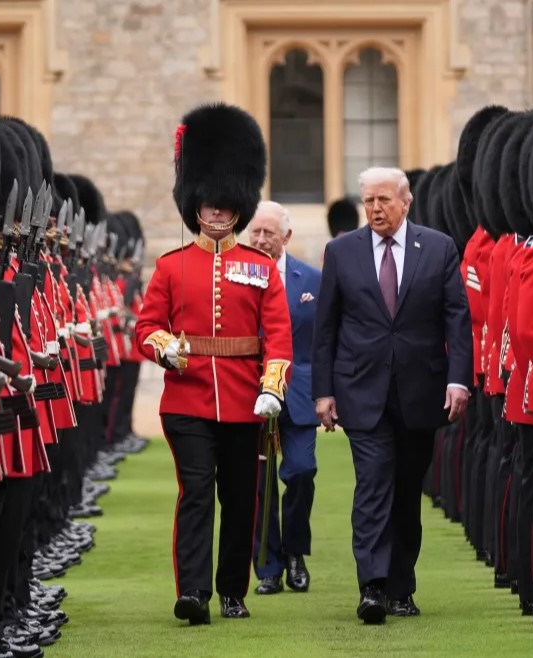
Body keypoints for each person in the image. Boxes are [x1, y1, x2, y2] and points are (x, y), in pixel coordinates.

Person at [134, 103, 294, 624]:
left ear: (238, 207)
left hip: (247, 402)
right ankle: (194, 593)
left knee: (241, 500)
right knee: (197, 495)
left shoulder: (260, 268)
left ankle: (232, 591)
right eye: (210, 202)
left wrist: (272, 386)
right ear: (195, 203)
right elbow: (145, 328)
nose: (218, 211)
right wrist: (167, 348)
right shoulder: (171, 267)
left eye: (227, 205)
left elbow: (278, 337)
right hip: (187, 400)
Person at [312, 166, 472, 624]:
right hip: (362, 391)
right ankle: (372, 587)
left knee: (405, 492)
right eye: (369, 201)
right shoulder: (341, 252)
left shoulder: (438, 248)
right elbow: (326, 329)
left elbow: (456, 319)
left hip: (420, 391)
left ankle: (402, 586)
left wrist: (458, 380)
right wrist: (323, 392)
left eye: (384, 200)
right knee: (373, 486)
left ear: (406, 202)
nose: (376, 209)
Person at [248, 200, 322, 595]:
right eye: (255, 232)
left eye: (268, 234)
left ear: (286, 237)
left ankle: (295, 552)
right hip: (249, 392)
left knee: (300, 471)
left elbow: (325, 341)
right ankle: (269, 567)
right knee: (258, 483)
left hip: (299, 394)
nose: (260, 240)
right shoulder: (235, 277)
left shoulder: (312, 280)